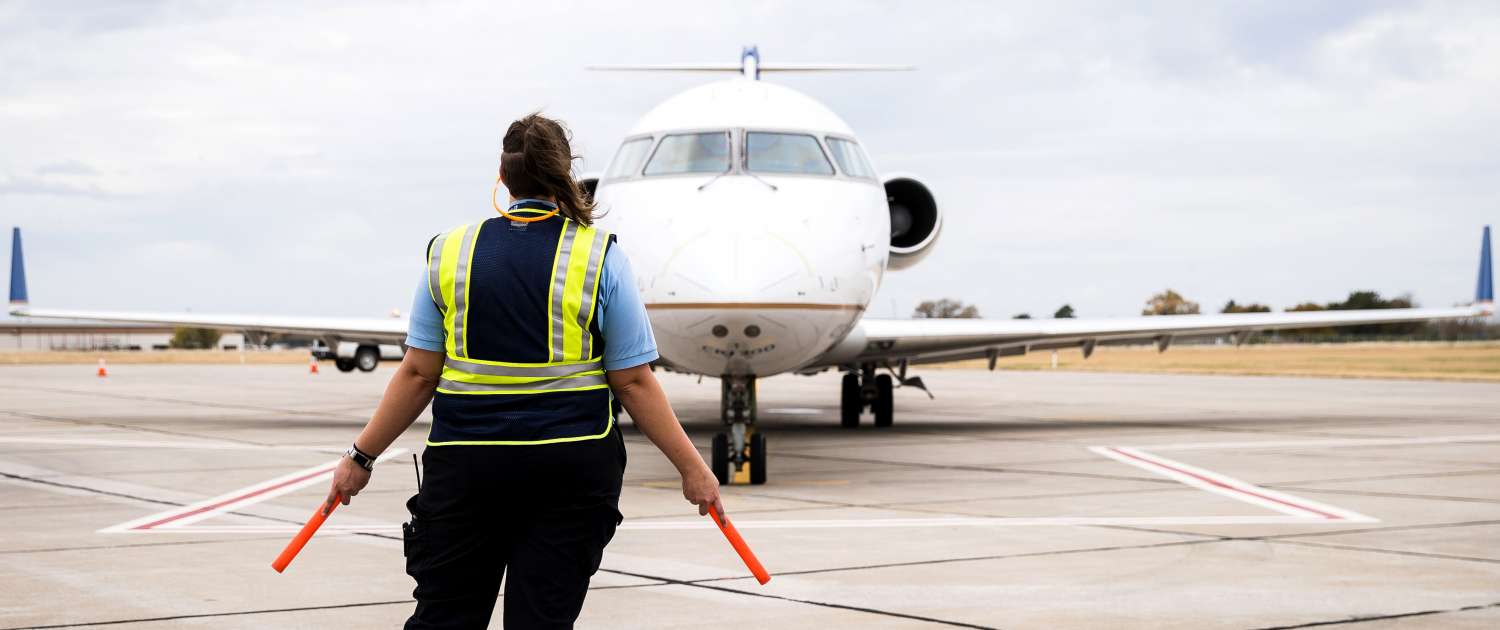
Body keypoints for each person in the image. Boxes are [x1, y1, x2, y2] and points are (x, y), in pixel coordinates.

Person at [322, 113, 723, 629]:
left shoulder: (449, 252)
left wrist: (361, 457)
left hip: (467, 468)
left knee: (445, 618)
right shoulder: (600, 255)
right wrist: (694, 469)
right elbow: (634, 380)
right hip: (570, 469)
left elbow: (418, 375)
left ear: (503, 176)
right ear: (566, 174)